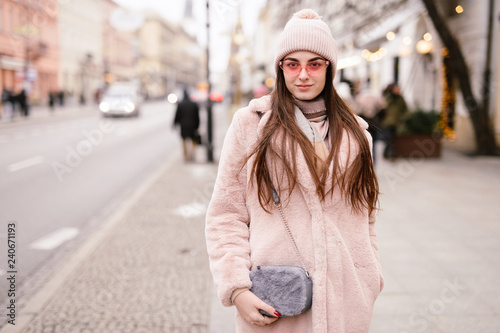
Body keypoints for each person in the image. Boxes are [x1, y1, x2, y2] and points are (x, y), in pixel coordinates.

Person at [205, 9, 383, 333]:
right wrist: (237, 289)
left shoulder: (358, 136)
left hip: (347, 306)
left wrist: (370, 277)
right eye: (292, 64)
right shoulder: (252, 126)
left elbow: (366, 215)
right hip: (276, 306)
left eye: (314, 63)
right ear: (280, 68)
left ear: (329, 68)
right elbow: (225, 215)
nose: (303, 74)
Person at [354, 80, 387, 163]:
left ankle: (365, 163)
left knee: (364, 144)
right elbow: (383, 107)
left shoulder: (360, 97)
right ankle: (373, 162)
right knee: (373, 143)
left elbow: (356, 111)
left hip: (363, 122)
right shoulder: (376, 95)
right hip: (374, 122)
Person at [381, 83, 408, 159]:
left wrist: (405, 117)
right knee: (389, 138)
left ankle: (385, 153)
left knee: (391, 139)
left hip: (396, 122)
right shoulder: (388, 97)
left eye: (399, 89)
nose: (398, 91)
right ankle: (392, 154)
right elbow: (383, 106)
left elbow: (405, 109)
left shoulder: (400, 99)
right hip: (387, 122)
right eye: (396, 89)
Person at [173, 88, 200, 162]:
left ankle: (186, 156)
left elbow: (177, 115)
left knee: (184, 140)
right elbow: (197, 116)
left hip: (183, 126)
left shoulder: (180, 104)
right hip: (192, 125)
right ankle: (192, 152)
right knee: (194, 140)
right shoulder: (193, 104)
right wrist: (197, 125)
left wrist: (175, 124)